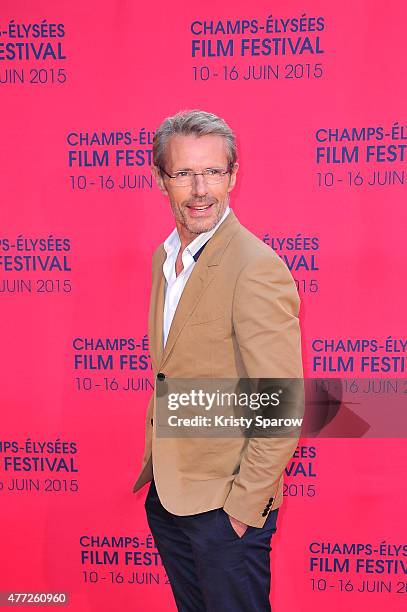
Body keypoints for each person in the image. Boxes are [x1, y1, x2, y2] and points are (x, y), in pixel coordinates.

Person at [132, 109, 303, 611]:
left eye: (213, 172)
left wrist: (243, 506)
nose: (201, 188)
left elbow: (280, 403)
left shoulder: (255, 267)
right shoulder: (165, 260)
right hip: (170, 494)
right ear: (161, 180)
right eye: (184, 173)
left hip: (226, 507)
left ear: (233, 175)